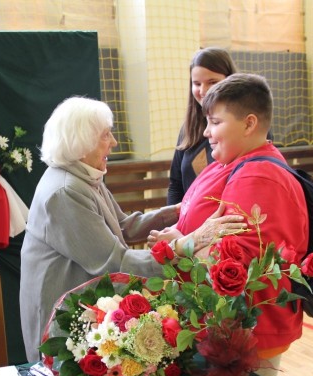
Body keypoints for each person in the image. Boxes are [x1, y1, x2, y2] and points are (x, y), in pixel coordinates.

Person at [19, 96, 247, 362]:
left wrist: (176, 210)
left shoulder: (83, 174)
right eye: (106, 135)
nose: (114, 142)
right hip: (60, 314)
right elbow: (116, 262)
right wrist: (189, 243)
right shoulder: (66, 191)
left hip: (82, 303)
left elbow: (124, 227)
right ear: (82, 143)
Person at [151, 74, 308, 376]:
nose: (207, 132)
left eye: (215, 122)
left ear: (249, 124)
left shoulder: (257, 177)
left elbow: (236, 271)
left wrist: (181, 243)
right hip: (221, 328)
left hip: (244, 337)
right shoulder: (232, 162)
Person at [168, 47, 237, 205]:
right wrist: (173, 223)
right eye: (197, 83)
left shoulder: (245, 126)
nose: (203, 90)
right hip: (188, 227)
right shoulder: (188, 128)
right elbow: (176, 185)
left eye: (212, 82)